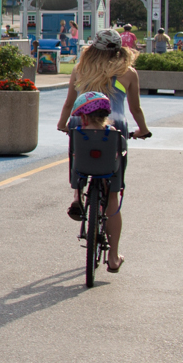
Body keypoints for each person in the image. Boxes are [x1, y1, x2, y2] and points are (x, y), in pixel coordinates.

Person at [62, 91, 128, 269]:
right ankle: (113, 258)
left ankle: (77, 195)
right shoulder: (114, 133)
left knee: (76, 161)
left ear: (83, 118)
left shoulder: (78, 132)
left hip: (83, 169)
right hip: (109, 171)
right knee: (112, 198)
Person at [59, 30, 153, 140]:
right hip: (115, 124)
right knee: (117, 153)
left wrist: (62, 125)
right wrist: (143, 130)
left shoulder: (80, 69)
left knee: (78, 152)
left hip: (81, 123)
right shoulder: (128, 72)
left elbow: (69, 103)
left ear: (93, 48)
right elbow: (135, 109)